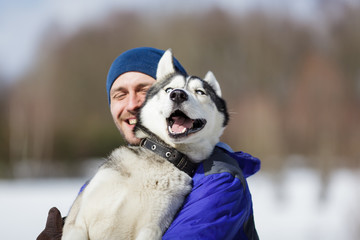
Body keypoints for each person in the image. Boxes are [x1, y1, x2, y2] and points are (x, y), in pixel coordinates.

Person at [37, 47, 261, 240]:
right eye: (120, 94)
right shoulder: (106, 175)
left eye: (143, 90)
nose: (132, 104)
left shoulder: (218, 181)